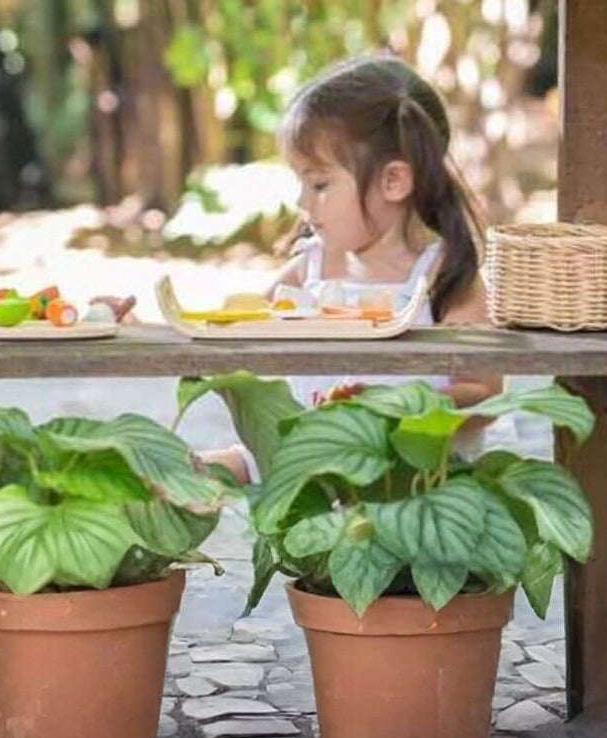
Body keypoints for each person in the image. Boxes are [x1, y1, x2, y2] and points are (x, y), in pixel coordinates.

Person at [204, 53, 499, 484]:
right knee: (181, 473)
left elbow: (485, 394)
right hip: (317, 475)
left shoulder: (443, 278)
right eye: (301, 184)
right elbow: (227, 329)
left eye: (320, 184)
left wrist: (385, 410)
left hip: (416, 482)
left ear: (394, 181)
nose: (302, 204)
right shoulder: (311, 269)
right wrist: (127, 324)